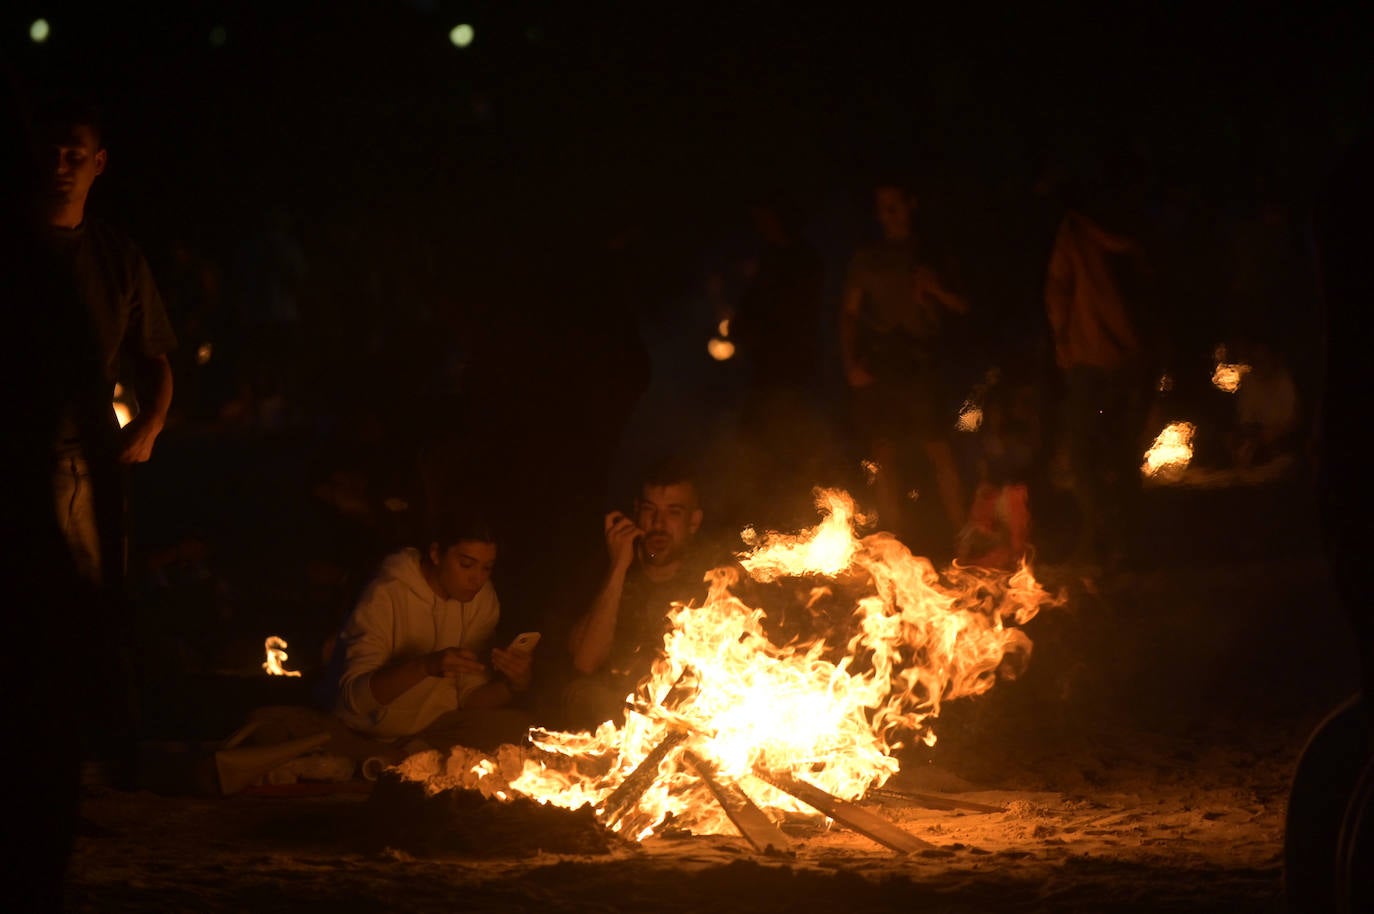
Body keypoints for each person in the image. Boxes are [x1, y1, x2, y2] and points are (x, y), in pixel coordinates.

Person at [32, 96, 177, 791]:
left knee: (92, 608)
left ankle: (91, 758)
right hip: (20, 457)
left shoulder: (115, 256)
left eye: (74, 153)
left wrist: (148, 425)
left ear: (99, 163)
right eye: (50, 151)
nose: (61, 166)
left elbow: (156, 356)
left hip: (91, 463)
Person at [841, 180, 969, 548]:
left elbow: (962, 305)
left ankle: (963, 534)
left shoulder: (932, 253)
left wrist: (935, 289)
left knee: (938, 447)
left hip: (920, 360)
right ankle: (894, 541)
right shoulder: (869, 258)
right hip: (882, 361)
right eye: (882, 207)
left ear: (911, 204)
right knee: (884, 451)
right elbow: (849, 314)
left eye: (894, 205)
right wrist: (851, 364)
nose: (888, 214)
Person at [562, 459, 723, 732]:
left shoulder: (716, 579)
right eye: (650, 510)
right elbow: (585, 662)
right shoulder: (607, 567)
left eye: (673, 512)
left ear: (693, 522)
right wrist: (619, 567)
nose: (658, 523)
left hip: (683, 722)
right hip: (611, 725)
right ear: (636, 513)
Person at [1043, 178, 1151, 570]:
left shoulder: (1074, 233)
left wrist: (1060, 339)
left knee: (1084, 455)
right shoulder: (1134, 230)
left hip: (1089, 360)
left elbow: (1058, 291)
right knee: (1121, 453)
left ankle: (1097, 537)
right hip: (1129, 358)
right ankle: (1125, 542)